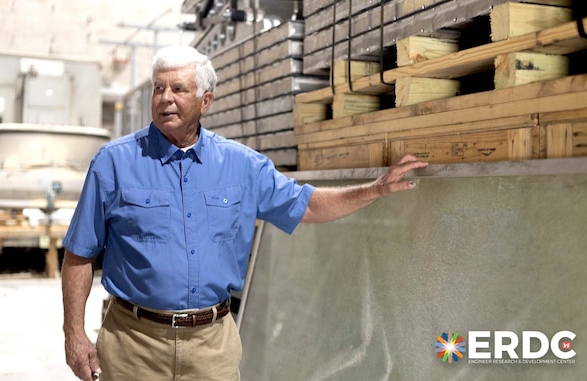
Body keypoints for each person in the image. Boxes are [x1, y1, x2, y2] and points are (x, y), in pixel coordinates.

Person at [61, 45, 428, 381]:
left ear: (206, 101)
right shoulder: (114, 162)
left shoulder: (243, 166)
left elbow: (309, 205)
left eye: (178, 89)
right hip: (132, 344)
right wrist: (74, 335)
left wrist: (375, 189)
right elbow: (79, 254)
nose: (165, 99)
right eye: (159, 88)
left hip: (211, 348)